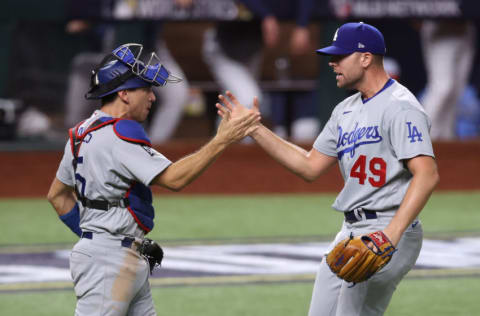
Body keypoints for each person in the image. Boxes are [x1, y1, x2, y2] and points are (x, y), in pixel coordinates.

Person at [217, 22, 439, 315]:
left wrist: (389, 235)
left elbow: (427, 174)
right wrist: (255, 129)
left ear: (365, 58)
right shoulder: (345, 110)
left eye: (341, 56)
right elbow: (309, 166)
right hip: (351, 230)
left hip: (389, 227)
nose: (332, 62)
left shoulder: (401, 107)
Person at [46, 43, 259, 315]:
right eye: (145, 89)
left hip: (117, 255)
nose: (152, 97)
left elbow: (58, 196)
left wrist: (95, 236)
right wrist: (222, 140)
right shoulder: (118, 136)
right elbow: (175, 179)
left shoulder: (81, 133)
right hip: (108, 264)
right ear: (123, 94)